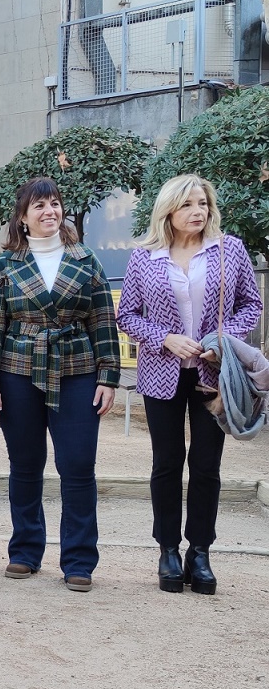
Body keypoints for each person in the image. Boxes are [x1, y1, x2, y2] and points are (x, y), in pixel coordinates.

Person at [117, 174, 262, 595]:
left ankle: (200, 552)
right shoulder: (145, 257)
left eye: (202, 204)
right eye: (188, 205)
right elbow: (128, 315)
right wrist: (164, 336)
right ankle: (167, 550)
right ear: (169, 210)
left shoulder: (229, 249)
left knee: (205, 465)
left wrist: (221, 343)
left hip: (212, 374)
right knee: (166, 463)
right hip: (160, 371)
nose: (198, 212)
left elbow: (251, 304)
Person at [0, 177, 119, 593]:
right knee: (25, 464)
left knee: (77, 465)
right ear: (22, 218)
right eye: (38, 206)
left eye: (54, 204)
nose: (48, 212)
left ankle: (78, 559)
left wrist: (108, 376)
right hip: (17, 369)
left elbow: (102, 320)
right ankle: (24, 551)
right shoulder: (5, 265)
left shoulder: (85, 259)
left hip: (77, 369)